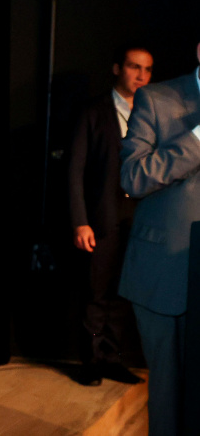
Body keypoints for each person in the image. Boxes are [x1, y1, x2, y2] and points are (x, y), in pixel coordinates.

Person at [119, 43, 200, 435]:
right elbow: (133, 177)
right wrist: (197, 138)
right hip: (167, 272)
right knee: (169, 394)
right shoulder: (157, 98)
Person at [67, 45, 153, 386]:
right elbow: (74, 169)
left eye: (147, 69)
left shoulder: (152, 113)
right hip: (101, 217)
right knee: (96, 292)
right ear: (118, 68)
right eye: (134, 67)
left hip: (139, 218)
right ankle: (90, 360)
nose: (141, 75)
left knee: (123, 293)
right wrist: (79, 220)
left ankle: (111, 359)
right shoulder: (93, 112)